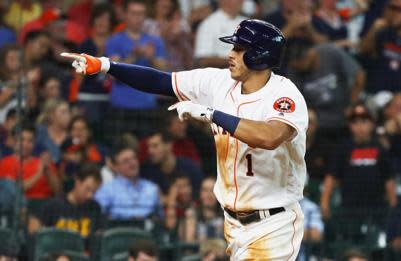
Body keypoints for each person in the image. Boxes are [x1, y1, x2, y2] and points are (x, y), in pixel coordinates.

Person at [61, 19, 308, 260]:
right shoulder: (219, 82)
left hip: (274, 224)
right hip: (234, 224)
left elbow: (270, 137)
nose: (231, 54)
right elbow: (161, 81)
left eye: (239, 49)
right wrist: (106, 66)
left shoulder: (284, 95)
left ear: (259, 55)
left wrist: (212, 115)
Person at [320, 104, 397, 241]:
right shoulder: (343, 149)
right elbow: (331, 177)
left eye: (364, 122)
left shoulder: (380, 149)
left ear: (372, 124)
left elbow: (389, 180)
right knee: (349, 243)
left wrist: (392, 207)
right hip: (349, 210)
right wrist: (325, 202)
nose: (360, 126)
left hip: (376, 211)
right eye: (355, 122)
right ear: (350, 126)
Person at [31, 164, 103, 239]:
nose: (90, 195)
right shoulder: (55, 205)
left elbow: (99, 234)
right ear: (78, 182)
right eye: (87, 189)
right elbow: (33, 227)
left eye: (94, 192)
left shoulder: (94, 207)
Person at [94, 144, 161, 221]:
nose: (132, 163)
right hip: (118, 229)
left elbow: (159, 218)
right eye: (126, 161)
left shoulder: (151, 188)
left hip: (147, 230)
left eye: (134, 158)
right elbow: (96, 215)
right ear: (117, 167)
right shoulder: (107, 190)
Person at [140, 130, 204, 195]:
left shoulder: (191, 168)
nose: (150, 151)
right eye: (149, 147)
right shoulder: (146, 171)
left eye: (155, 146)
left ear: (169, 146)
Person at [194, 0, 247, 68]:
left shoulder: (246, 22)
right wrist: (238, 61)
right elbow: (203, 60)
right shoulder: (208, 24)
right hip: (221, 75)